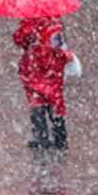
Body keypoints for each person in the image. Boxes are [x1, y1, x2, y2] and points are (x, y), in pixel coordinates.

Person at [12, 16, 81, 150]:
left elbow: (23, 38)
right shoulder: (55, 17)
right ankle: (60, 135)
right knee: (55, 96)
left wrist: (20, 35)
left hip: (37, 60)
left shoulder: (31, 17)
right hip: (55, 58)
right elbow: (59, 39)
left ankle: (41, 136)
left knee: (36, 97)